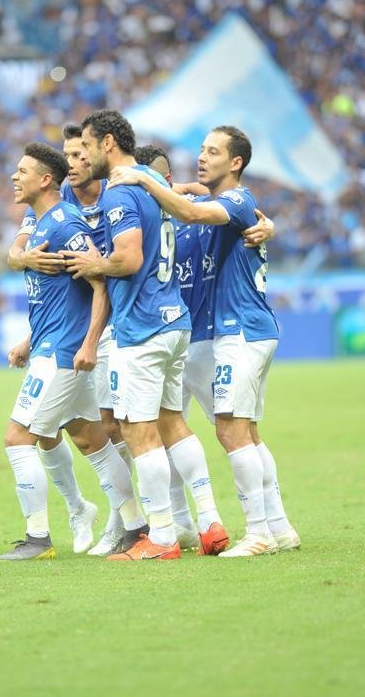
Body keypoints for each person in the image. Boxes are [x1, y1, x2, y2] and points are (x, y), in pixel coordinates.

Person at [108, 125, 300, 558]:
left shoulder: (234, 202)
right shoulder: (186, 209)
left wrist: (143, 178)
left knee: (228, 431)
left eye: (213, 151)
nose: (202, 157)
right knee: (233, 431)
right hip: (196, 337)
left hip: (233, 331)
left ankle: (258, 532)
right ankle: (276, 526)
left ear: (235, 163)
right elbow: (188, 209)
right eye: (200, 150)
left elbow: (210, 211)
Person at [63, 109, 229, 561]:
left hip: (142, 327)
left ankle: (160, 537)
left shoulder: (121, 191)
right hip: (175, 321)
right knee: (173, 422)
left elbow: (129, 258)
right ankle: (210, 521)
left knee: (138, 431)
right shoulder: (149, 183)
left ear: (109, 144)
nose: (86, 154)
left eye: (90, 146)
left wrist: (95, 264)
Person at [0, 142, 146, 560]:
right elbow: (56, 294)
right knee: (89, 439)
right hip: (51, 344)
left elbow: (100, 283)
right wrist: (29, 340)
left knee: (18, 437)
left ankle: (39, 538)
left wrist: (89, 343)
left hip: (64, 351)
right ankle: (136, 525)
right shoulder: (42, 224)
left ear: (45, 179)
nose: (14, 176)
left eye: (22, 170)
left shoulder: (65, 225)